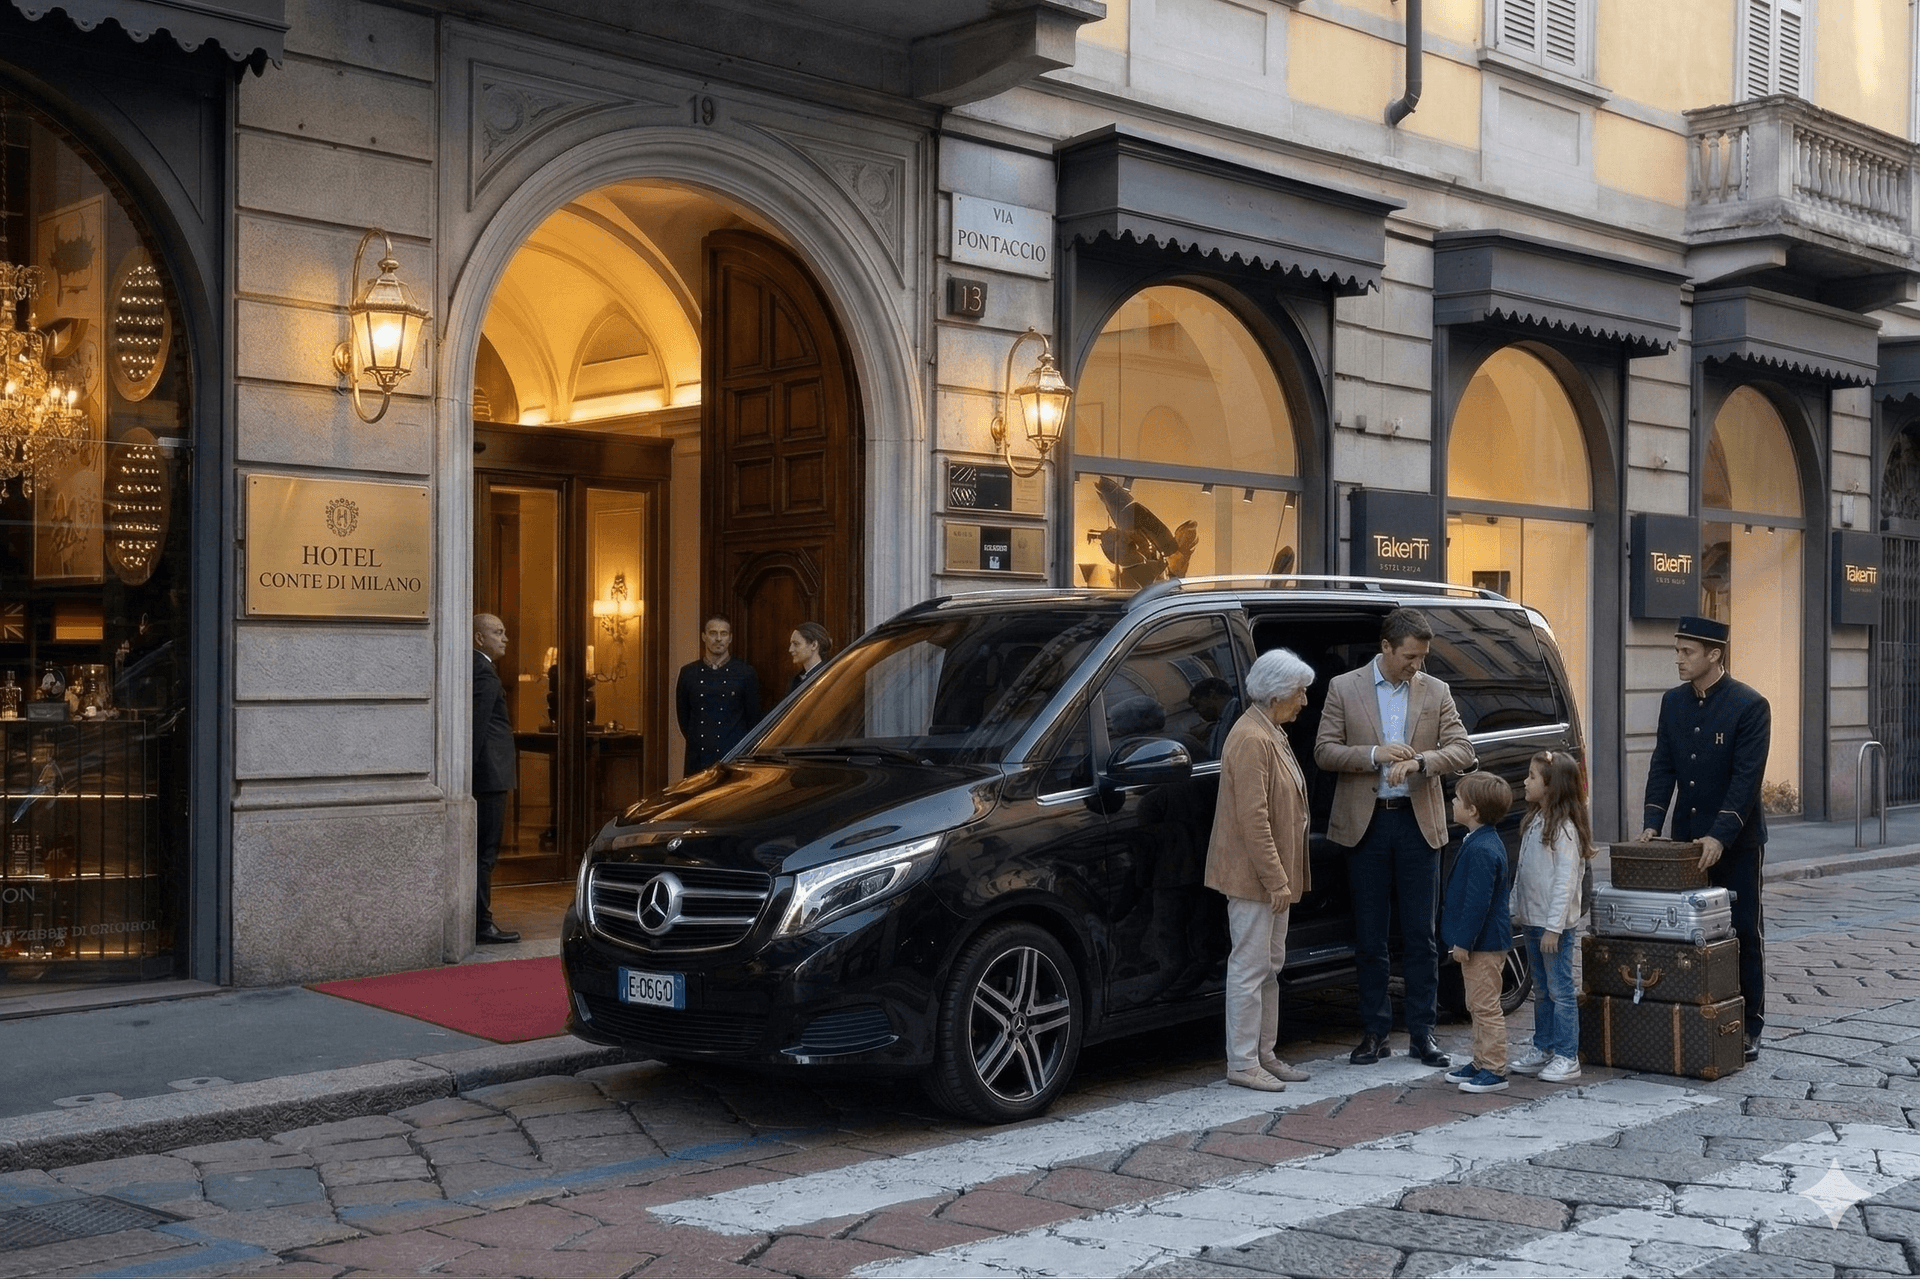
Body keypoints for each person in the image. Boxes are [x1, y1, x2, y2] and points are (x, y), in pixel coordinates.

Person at [1314, 607, 1476, 1067]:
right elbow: (1324, 751)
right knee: (1370, 935)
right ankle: (1374, 1031)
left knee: (1422, 936)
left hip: (1417, 822)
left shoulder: (1436, 690)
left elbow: (1463, 749)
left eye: (1422, 657)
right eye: (1410, 656)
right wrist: (1374, 754)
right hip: (1366, 822)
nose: (1416, 665)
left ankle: (1423, 1034)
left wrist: (1422, 762)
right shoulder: (1343, 688)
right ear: (1385, 647)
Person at [1639, 614, 1772, 1062]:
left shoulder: (1750, 705)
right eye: (1676, 650)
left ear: (1713, 655)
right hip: (1685, 840)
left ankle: (1749, 1023)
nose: (1677, 659)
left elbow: (1746, 779)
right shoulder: (1672, 703)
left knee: (1741, 930)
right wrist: (1652, 824)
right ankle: (1694, 1010)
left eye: (1686, 652)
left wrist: (1720, 834)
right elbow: (1663, 766)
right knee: (1688, 933)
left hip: (1736, 841)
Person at [1205, 648, 1315, 1092]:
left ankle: (1262, 1054)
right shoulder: (1253, 737)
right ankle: (1243, 1062)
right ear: (1277, 694)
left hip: (1271, 878)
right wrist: (1276, 879)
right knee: (1250, 969)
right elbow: (1255, 819)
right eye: (1300, 692)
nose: (1305, 701)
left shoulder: (1269, 730)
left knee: (1269, 967)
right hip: (1256, 879)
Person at [1508, 750, 1592, 1084]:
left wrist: (1554, 928)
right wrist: (1515, 907)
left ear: (1551, 786)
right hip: (1532, 921)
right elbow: (1523, 872)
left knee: (1560, 989)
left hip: (1552, 928)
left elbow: (1565, 883)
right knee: (1541, 989)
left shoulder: (1565, 831)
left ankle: (1566, 1054)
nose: (1525, 782)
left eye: (1531, 777)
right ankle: (1543, 1046)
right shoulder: (1534, 821)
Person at [1440, 771, 1516, 1094]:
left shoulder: (1483, 849)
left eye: (1457, 799)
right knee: (1476, 1003)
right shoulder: (1480, 841)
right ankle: (1480, 1060)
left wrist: (1462, 942)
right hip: (1481, 942)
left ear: (1472, 810)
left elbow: (1477, 904)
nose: (1453, 802)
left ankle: (1494, 1068)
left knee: (1485, 1006)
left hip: (1483, 943)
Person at [471, 613, 520, 945]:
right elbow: (476, 728)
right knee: (486, 853)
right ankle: (481, 923)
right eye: (498, 632)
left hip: (488, 775)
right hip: (488, 777)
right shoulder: (484, 675)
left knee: (484, 853)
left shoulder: (480, 670)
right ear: (478, 638)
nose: (505, 638)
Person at [675, 615, 761, 775]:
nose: (718, 639)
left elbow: (753, 720)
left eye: (724, 633)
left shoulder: (745, 673)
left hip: (733, 758)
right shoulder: (688, 673)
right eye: (713, 633)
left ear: (730, 638)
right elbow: (684, 719)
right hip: (697, 758)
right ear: (704, 637)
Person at [787, 622, 832, 693]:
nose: (790, 649)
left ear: (814, 645)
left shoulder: (827, 677)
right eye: (791, 644)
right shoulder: (797, 680)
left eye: (796, 644)